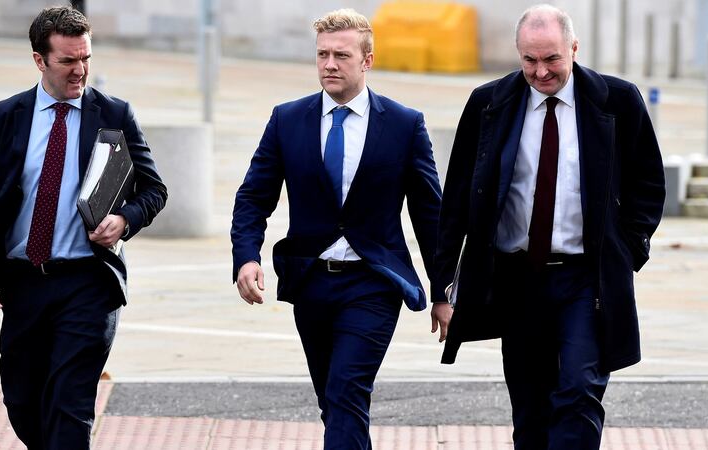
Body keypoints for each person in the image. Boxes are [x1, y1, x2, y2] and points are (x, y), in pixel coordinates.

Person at [432, 4, 665, 449]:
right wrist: (445, 285)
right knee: (531, 408)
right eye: (529, 60)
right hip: (517, 279)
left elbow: (647, 184)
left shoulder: (617, 100)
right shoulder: (489, 104)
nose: (540, 72)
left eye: (552, 59)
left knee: (578, 392)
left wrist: (628, 250)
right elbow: (458, 197)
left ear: (574, 49)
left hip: (586, 279)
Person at [0, 6, 167, 449]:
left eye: (85, 58)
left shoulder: (114, 114)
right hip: (24, 282)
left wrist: (124, 220)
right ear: (39, 60)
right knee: (23, 402)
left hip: (89, 282)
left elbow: (154, 190)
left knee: (70, 404)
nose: (80, 70)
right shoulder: (4, 117)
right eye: (68, 61)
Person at [231, 8, 443, 449]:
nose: (329, 64)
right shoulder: (287, 120)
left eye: (341, 55)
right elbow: (254, 196)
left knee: (347, 390)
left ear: (367, 61)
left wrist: (443, 292)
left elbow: (430, 215)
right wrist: (246, 256)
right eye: (323, 54)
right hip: (311, 284)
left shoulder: (404, 125)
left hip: (374, 282)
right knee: (335, 401)